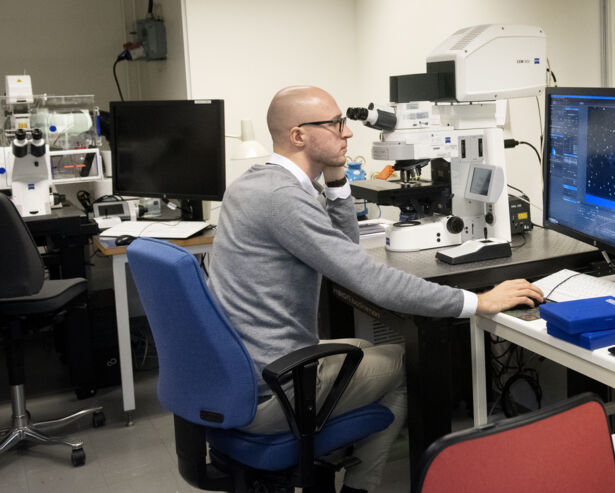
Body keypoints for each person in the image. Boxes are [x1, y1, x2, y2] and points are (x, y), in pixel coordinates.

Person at [208, 86, 543, 493]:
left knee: (365, 351)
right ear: (298, 136)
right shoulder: (284, 198)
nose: (347, 133)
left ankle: (339, 456)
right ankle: (359, 487)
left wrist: (336, 181)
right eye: (334, 124)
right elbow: (367, 278)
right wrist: (477, 301)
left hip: (239, 373)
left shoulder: (256, 183)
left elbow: (344, 250)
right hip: (276, 386)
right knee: (406, 363)